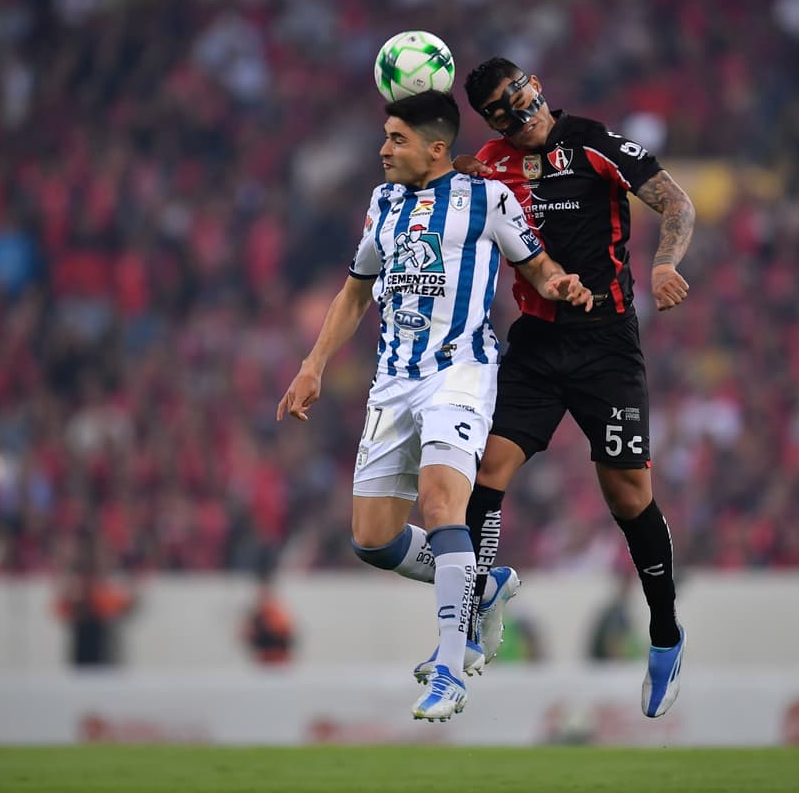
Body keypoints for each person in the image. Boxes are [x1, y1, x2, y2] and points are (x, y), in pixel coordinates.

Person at [277, 90, 592, 722]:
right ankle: (484, 583)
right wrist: (313, 365)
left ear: (436, 148)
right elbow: (354, 293)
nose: (383, 149)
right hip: (393, 382)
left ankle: (451, 665)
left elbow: (536, 266)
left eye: (396, 139)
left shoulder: (488, 199)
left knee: (443, 502)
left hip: (460, 372)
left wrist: (558, 281)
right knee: (371, 539)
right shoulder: (383, 203)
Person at [451, 57, 695, 717]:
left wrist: (666, 259)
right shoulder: (489, 163)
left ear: (537, 86)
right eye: (506, 106)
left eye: (523, 93)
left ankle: (666, 632)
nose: (522, 109)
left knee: (627, 495)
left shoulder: (593, 141)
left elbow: (675, 199)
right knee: (488, 471)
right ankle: (473, 603)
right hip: (536, 343)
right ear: (494, 119)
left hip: (607, 345)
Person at [242, 578, 296, 665]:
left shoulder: (277, 613)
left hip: (278, 657)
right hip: (263, 657)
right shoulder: (257, 614)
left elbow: (284, 633)